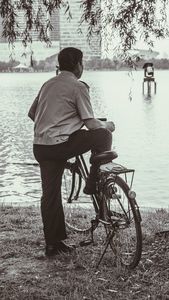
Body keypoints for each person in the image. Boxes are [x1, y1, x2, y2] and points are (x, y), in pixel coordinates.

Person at [28, 47, 115, 257]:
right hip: (61, 145)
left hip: (41, 146)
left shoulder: (47, 84)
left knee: (50, 195)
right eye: (82, 63)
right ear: (78, 65)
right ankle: (93, 182)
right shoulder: (78, 86)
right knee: (103, 136)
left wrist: (61, 122)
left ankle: (53, 245)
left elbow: (32, 114)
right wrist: (108, 125)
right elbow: (92, 124)